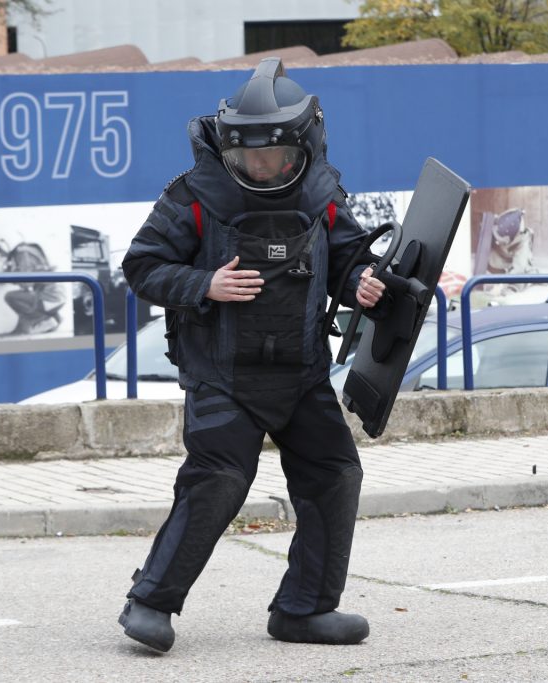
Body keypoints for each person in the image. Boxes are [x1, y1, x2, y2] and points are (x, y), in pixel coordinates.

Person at [117, 58, 385, 653]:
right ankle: (150, 602)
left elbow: (346, 261)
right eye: (249, 158)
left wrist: (363, 280)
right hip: (222, 377)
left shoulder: (324, 196)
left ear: (303, 144)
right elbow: (141, 265)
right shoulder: (194, 196)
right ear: (228, 146)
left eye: (275, 157)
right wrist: (203, 285)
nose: (262, 168)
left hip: (303, 372)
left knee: (336, 476)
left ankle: (305, 610)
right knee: (218, 481)